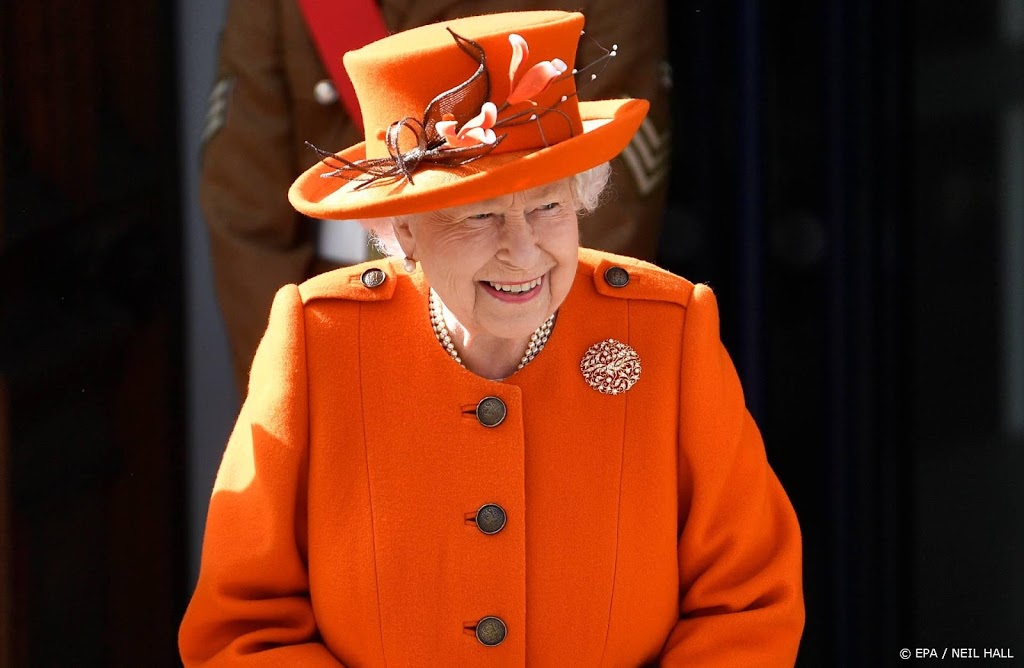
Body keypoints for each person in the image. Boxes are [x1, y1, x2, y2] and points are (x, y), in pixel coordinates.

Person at [180, 11, 803, 665]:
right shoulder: (317, 344)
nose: (522, 251)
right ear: (405, 228)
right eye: (480, 214)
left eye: (549, 205)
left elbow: (747, 606)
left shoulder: (667, 334)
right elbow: (245, 632)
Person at [202, 0, 672, 394]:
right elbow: (245, 208)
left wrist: (571, 371)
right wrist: (292, 378)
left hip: (542, 312)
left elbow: (606, 200)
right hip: (346, 306)